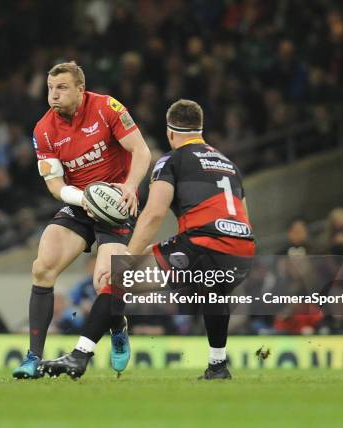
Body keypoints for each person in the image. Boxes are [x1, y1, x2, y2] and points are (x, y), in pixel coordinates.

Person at [41, 99, 255, 380]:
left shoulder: (171, 160)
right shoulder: (229, 165)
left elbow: (154, 214)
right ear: (200, 129)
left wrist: (127, 257)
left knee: (115, 281)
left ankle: (79, 355)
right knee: (213, 292)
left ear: (170, 132)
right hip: (243, 250)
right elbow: (245, 217)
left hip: (202, 243)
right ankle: (218, 366)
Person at [13, 62, 151, 379]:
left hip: (116, 204)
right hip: (79, 204)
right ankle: (33, 357)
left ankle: (118, 325)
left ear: (80, 89)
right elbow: (54, 184)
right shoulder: (43, 130)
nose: (54, 94)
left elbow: (141, 152)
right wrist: (82, 199)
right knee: (42, 266)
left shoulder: (107, 107)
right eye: (50, 88)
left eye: (61, 87)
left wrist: (129, 186)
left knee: (105, 281)